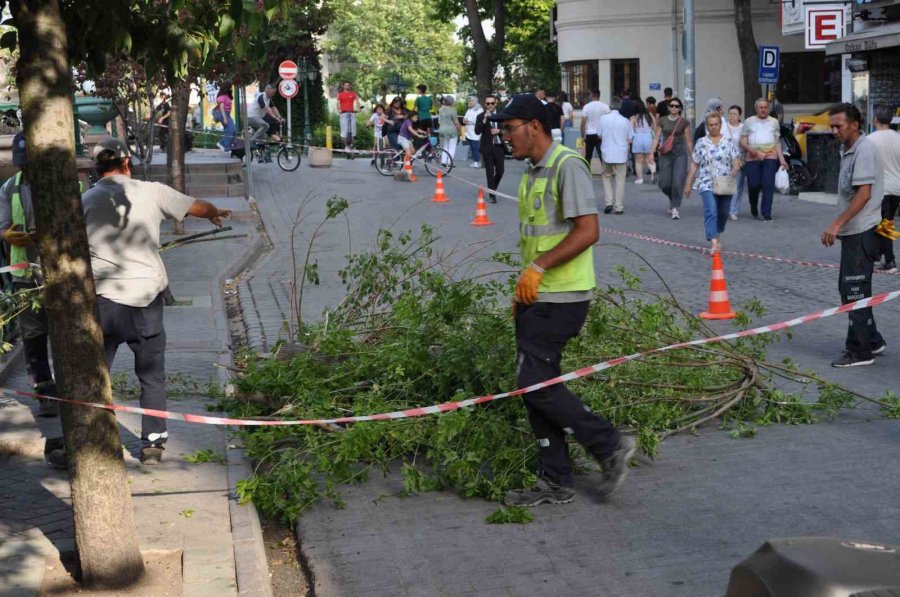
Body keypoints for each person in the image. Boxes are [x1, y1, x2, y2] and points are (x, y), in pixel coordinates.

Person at [484, 94, 635, 506]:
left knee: (534, 383)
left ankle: (608, 443)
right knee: (536, 385)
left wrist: (538, 269)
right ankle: (555, 479)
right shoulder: (532, 171)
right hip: (538, 294)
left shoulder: (567, 165)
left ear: (534, 126)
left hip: (563, 296)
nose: (505, 136)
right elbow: (536, 241)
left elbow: (588, 231)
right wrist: (524, 287)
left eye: (509, 128)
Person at [82, 138, 232, 463]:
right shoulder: (151, 192)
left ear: (96, 168)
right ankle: (153, 444)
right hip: (146, 300)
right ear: (126, 162)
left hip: (104, 301)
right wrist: (214, 213)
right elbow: (198, 206)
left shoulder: (85, 200)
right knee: (151, 376)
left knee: (96, 375)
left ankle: (95, 440)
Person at [821, 103, 886, 368]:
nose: (834, 131)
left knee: (854, 290)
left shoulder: (864, 149)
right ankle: (872, 340)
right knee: (853, 288)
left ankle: (859, 351)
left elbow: (864, 193)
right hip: (855, 231)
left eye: (839, 126)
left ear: (855, 124)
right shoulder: (848, 149)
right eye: (832, 126)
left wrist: (836, 224)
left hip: (862, 231)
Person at [0, 133, 57, 417]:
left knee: (65, 333)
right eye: (21, 163)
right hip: (25, 274)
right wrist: (8, 235)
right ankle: (45, 392)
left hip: (59, 272)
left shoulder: (63, 184)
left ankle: (72, 390)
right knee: (34, 335)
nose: (25, 168)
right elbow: (3, 226)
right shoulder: (10, 187)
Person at [684, 112, 741, 252]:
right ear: (707, 126)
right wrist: (688, 183)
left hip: (725, 181)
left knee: (723, 212)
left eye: (716, 124)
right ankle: (714, 242)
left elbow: (735, 158)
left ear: (720, 125)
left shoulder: (728, 141)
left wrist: (735, 167)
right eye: (711, 125)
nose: (714, 127)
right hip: (706, 182)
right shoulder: (701, 142)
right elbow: (694, 163)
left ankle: (718, 233)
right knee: (711, 210)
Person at [741, 98, 788, 221]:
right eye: (760, 107)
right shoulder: (749, 122)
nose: (763, 110)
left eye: (765, 107)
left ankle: (766, 213)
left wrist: (782, 160)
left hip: (770, 157)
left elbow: (777, 143)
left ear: (768, 109)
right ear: (756, 109)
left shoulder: (774, 122)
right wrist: (753, 151)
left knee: (768, 184)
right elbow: (743, 141)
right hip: (753, 157)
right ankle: (753, 205)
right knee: (753, 185)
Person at [869, 105, 900, 274]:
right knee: (885, 221)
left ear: (875, 120)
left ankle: (890, 261)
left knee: (883, 224)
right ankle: (877, 255)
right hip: (896, 188)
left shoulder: (870, 140)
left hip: (881, 188)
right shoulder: (898, 138)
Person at [650, 96, 692, 220]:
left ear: (680, 109)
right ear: (668, 108)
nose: (674, 108)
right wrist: (651, 153)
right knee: (664, 183)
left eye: (676, 106)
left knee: (678, 181)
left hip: (680, 152)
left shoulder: (684, 122)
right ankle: (673, 200)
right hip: (666, 153)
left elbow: (688, 141)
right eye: (672, 106)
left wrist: (693, 156)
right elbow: (657, 138)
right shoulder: (662, 120)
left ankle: (675, 207)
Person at [597, 97, 633, 214]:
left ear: (610, 106)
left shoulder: (603, 119)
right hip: (621, 153)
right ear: (620, 106)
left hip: (607, 152)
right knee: (620, 180)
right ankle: (619, 207)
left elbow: (599, 135)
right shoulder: (625, 121)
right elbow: (630, 138)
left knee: (606, 177)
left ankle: (609, 203)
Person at [474, 94, 506, 203]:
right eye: (488, 103)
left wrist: (499, 131)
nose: (490, 105)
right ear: (485, 104)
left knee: (500, 171)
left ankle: (493, 188)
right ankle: (492, 195)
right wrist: (484, 119)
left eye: (492, 103)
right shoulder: (480, 116)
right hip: (487, 147)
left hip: (499, 146)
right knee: (489, 172)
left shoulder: (502, 115)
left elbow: (509, 130)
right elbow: (477, 131)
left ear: (496, 103)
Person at [725, 105, 746, 221]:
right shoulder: (724, 126)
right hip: (725, 159)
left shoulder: (743, 127)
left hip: (739, 159)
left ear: (739, 116)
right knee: (726, 185)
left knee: (737, 185)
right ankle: (724, 208)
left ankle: (733, 210)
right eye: (730, 113)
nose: (732, 116)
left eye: (735, 114)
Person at [580, 90, 610, 169]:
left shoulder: (586, 107)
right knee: (602, 155)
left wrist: (583, 136)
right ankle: (605, 172)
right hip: (601, 134)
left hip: (589, 133)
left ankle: (586, 171)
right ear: (599, 96)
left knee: (588, 155)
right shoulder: (605, 106)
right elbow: (608, 121)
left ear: (592, 96)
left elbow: (583, 123)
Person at [630, 98, 654, 184]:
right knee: (649, 158)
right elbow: (654, 126)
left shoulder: (634, 117)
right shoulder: (649, 115)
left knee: (638, 160)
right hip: (648, 137)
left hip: (638, 137)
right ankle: (653, 173)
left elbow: (631, 130)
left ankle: (640, 178)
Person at [437, 95, 462, 167]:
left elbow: (439, 120)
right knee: (452, 146)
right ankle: (449, 162)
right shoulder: (453, 110)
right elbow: (456, 122)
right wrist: (460, 130)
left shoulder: (441, 109)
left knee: (445, 146)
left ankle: (443, 162)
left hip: (442, 129)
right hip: (452, 130)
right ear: (452, 102)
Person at [337, 81, 360, 159]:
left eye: (348, 85)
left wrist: (358, 108)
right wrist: (338, 110)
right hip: (343, 113)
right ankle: (346, 146)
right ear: (343, 86)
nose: (347, 86)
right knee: (343, 131)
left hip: (352, 113)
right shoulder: (340, 94)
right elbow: (338, 103)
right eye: (346, 85)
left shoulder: (353, 94)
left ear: (350, 86)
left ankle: (352, 145)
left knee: (353, 131)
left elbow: (357, 102)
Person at [462, 96, 483, 168]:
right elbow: (464, 118)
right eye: (469, 100)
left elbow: (478, 120)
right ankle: (475, 161)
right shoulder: (469, 109)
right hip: (468, 132)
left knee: (475, 147)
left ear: (476, 101)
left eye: (471, 100)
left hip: (475, 132)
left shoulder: (480, 110)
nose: (470, 102)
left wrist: (469, 121)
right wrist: (465, 121)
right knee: (472, 147)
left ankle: (477, 162)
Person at [214, 83, 235, 152]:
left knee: (233, 130)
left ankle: (223, 143)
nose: (230, 89)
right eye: (229, 87)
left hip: (227, 114)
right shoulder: (222, 96)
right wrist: (225, 118)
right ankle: (225, 146)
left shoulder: (227, 96)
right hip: (222, 113)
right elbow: (221, 108)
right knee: (230, 130)